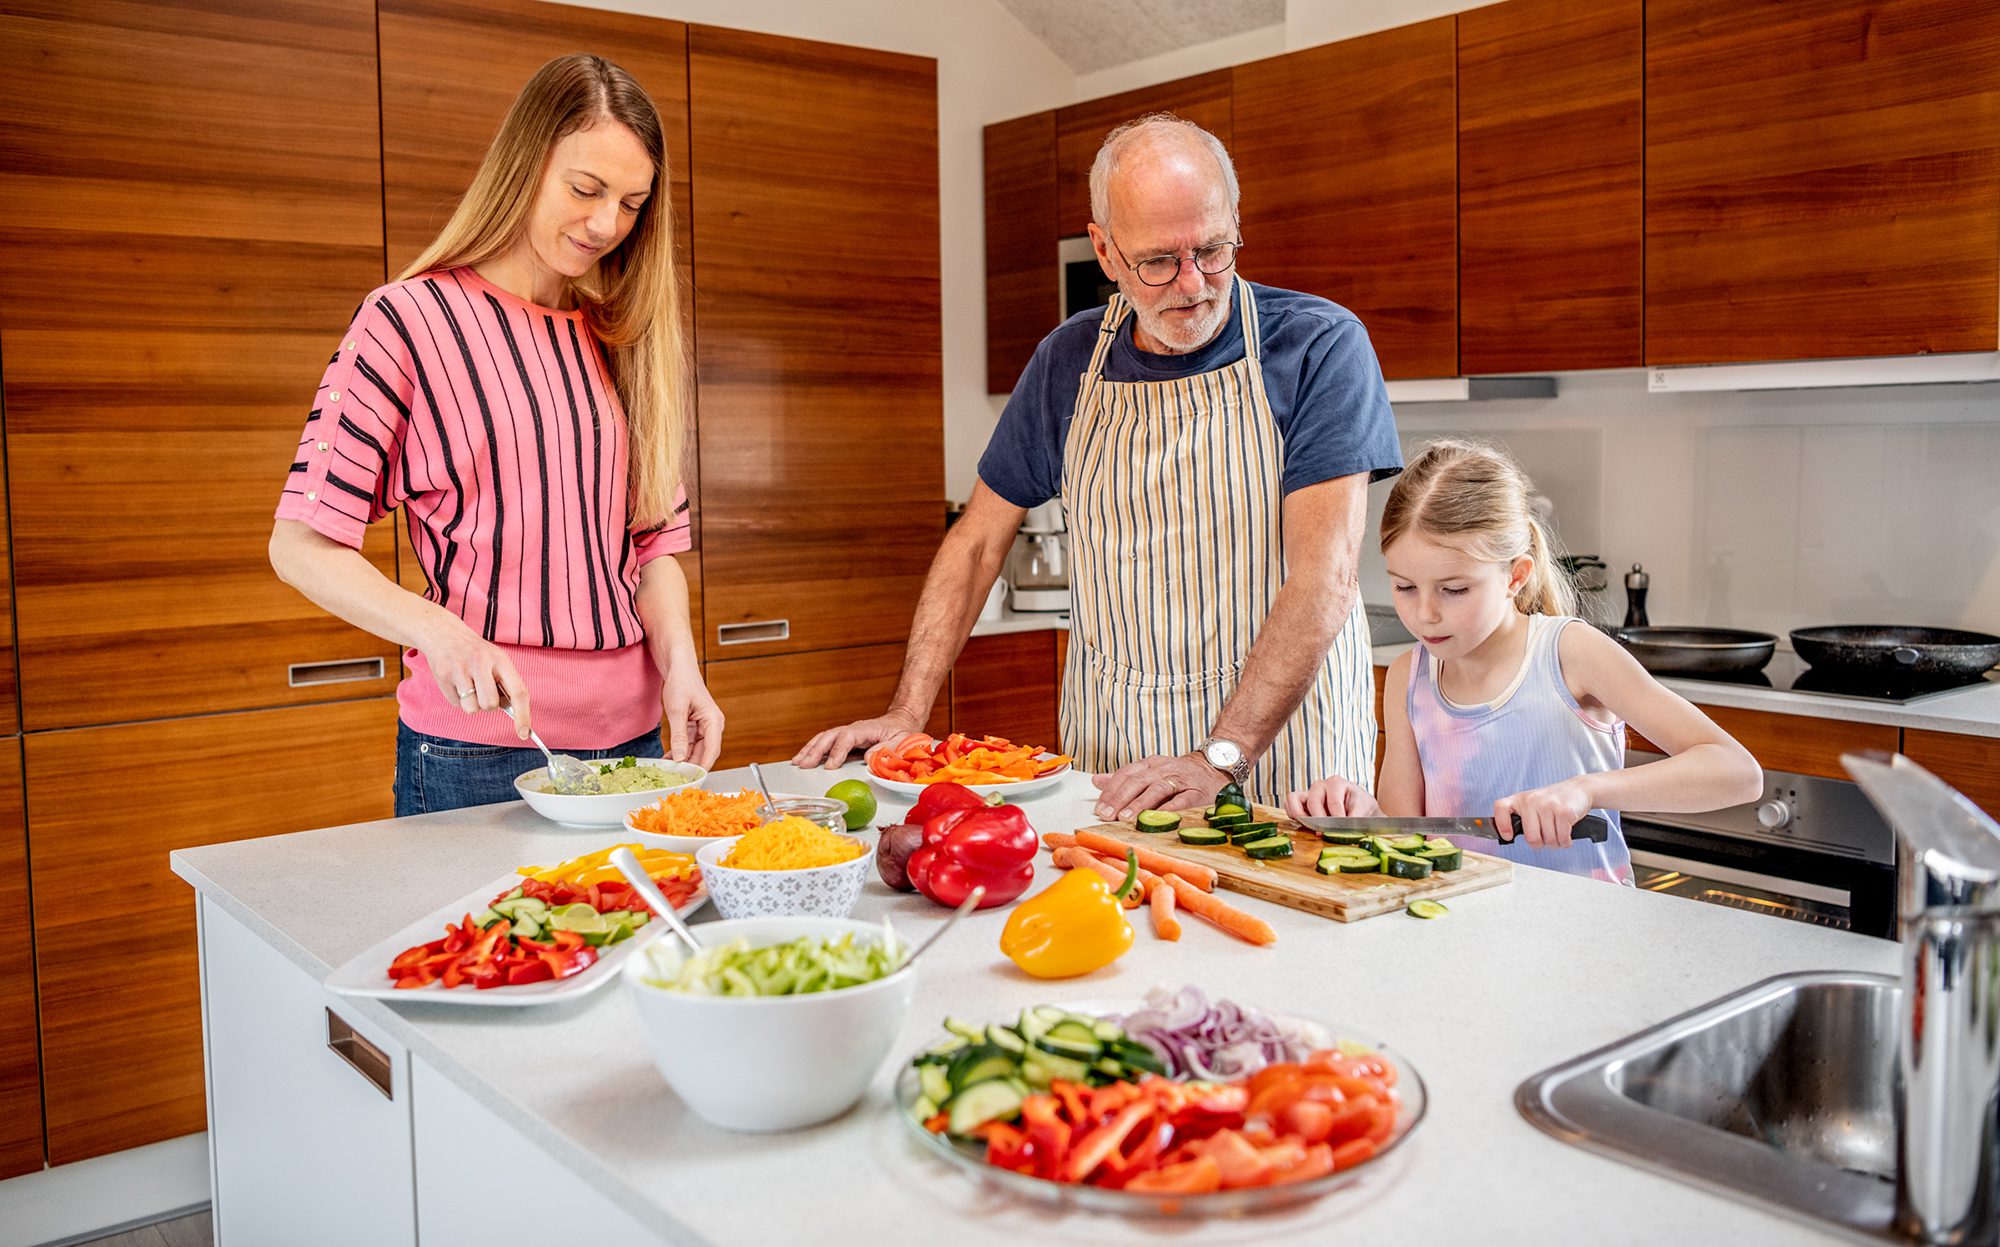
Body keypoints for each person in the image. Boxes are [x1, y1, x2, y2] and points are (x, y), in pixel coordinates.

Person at [795, 114, 1402, 820]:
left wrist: (1219, 759)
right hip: (1118, 758)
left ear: (1235, 222)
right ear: (1106, 252)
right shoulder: (1067, 361)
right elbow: (977, 543)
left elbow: (1321, 579)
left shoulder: (1320, 348)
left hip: (1286, 762)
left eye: (1212, 249)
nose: (1192, 284)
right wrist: (906, 712)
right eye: (1156, 261)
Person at [268, 54, 722, 815]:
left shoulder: (621, 338)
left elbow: (653, 548)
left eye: (631, 202)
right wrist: (442, 634)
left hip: (641, 747)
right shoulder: (407, 321)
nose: (606, 224)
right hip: (475, 753)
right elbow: (302, 544)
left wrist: (682, 666)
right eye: (585, 189)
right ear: (524, 164)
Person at [1284, 440, 1764, 884]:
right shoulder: (1412, 676)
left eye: (1454, 589)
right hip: (1461, 935)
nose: (1425, 614)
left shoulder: (1571, 653)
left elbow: (1737, 773)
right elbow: (1409, 832)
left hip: (1583, 942)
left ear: (1515, 576)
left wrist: (1587, 790)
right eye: (1404, 587)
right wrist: (1364, 815)